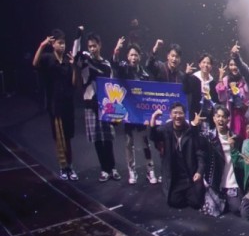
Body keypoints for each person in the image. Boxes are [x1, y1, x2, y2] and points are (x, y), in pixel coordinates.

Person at [34, 30, 78, 180]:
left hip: (67, 103)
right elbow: (35, 63)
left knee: (68, 137)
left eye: (64, 43)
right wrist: (42, 45)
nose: (62, 46)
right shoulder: (48, 58)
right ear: (53, 44)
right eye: (59, 43)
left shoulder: (67, 60)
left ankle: (70, 166)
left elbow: (73, 83)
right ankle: (63, 167)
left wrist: (74, 66)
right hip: (55, 104)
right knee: (59, 138)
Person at [73, 31, 116, 181]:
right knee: (98, 139)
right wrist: (78, 36)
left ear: (100, 46)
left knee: (108, 138)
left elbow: (111, 85)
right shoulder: (85, 61)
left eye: (94, 46)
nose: (92, 49)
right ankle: (104, 169)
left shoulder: (106, 64)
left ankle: (112, 168)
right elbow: (75, 55)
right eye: (90, 46)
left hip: (105, 105)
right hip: (90, 104)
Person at [113, 39, 157, 185]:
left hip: (141, 113)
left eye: (136, 55)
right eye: (131, 55)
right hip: (128, 112)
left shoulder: (144, 74)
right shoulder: (124, 69)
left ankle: (150, 170)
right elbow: (115, 65)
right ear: (127, 56)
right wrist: (116, 51)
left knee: (145, 142)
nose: (133, 57)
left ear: (139, 57)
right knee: (128, 143)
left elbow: (148, 94)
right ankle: (131, 171)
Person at [147, 103, 207, 209]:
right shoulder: (166, 129)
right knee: (174, 202)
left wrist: (199, 171)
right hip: (174, 177)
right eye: (175, 113)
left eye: (180, 113)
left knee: (196, 203)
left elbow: (200, 153)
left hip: (189, 175)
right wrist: (153, 118)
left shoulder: (190, 130)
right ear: (170, 115)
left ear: (185, 115)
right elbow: (153, 136)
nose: (178, 116)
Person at [203, 106, 242, 215]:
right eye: (218, 116)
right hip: (215, 181)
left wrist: (234, 148)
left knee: (236, 209)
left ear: (228, 119)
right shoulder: (208, 137)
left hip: (232, 181)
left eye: (223, 117)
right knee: (213, 212)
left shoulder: (236, 137)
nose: (221, 119)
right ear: (214, 118)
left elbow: (240, 161)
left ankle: (228, 199)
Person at [183, 54, 217, 129]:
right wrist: (186, 74)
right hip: (195, 114)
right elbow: (185, 90)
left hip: (208, 115)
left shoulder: (213, 82)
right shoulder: (193, 78)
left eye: (208, 63)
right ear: (199, 64)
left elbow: (215, 100)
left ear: (211, 66)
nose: (206, 65)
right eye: (203, 62)